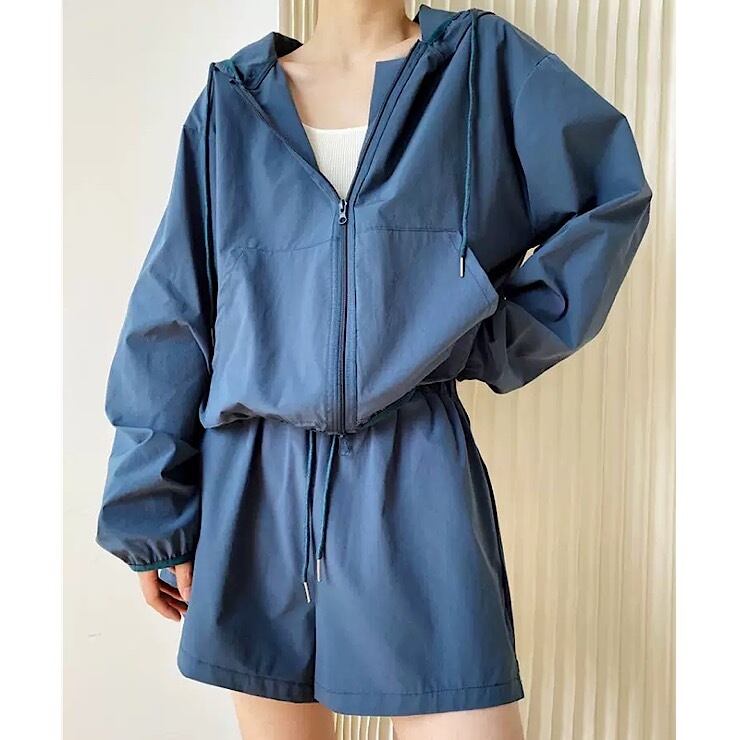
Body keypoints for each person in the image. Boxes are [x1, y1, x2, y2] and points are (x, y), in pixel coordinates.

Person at [95, 1, 651, 738]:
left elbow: (609, 199)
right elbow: (173, 314)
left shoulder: (479, 65)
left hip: (417, 473)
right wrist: (151, 511)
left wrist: (487, 339)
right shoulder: (233, 102)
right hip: (254, 488)